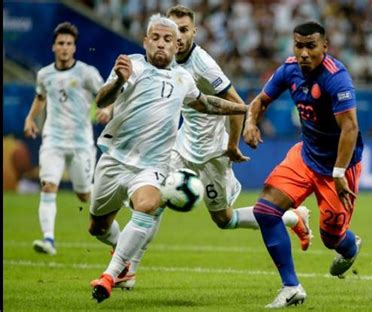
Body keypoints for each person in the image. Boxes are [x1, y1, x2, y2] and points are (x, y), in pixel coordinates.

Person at [110, 4, 314, 290]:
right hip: (180, 147)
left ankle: (293, 217)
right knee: (153, 204)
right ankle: (127, 270)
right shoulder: (164, 57)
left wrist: (231, 145)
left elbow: (235, 103)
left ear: (194, 31)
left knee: (224, 219)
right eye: (173, 30)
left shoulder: (203, 64)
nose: (177, 36)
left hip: (212, 154)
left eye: (183, 30)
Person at [88, 13, 248, 303]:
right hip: (114, 159)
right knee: (97, 227)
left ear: (177, 46)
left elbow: (207, 103)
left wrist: (243, 109)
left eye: (168, 40)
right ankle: (120, 251)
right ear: (146, 41)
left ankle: (111, 275)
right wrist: (118, 82)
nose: (161, 44)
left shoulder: (183, 78)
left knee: (148, 205)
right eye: (156, 38)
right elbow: (101, 100)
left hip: (152, 166)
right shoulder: (130, 65)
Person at [243, 21, 364, 308]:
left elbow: (350, 128)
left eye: (311, 46)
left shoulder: (337, 78)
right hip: (305, 156)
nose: (304, 53)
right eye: (299, 45)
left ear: (325, 46)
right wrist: (250, 123)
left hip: (339, 166)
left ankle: (350, 247)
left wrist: (337, 173)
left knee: (331, 238)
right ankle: (291, 286)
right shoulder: (288, 69)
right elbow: (260, 101)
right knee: (265, 210)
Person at [23, 22, 111, 256]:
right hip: (53, 140)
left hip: (81, 143)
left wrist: (108, 109)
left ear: (74, 48)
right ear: (53, 46)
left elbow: (105, 95)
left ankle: (109, 215)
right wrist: (30, 118)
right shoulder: (44, 74)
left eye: (69, 44)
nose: (64, 47)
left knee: (83, 194)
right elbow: (41, 97)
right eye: (60, 43)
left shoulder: (86, 73)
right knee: (48, 185)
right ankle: (48, 240)